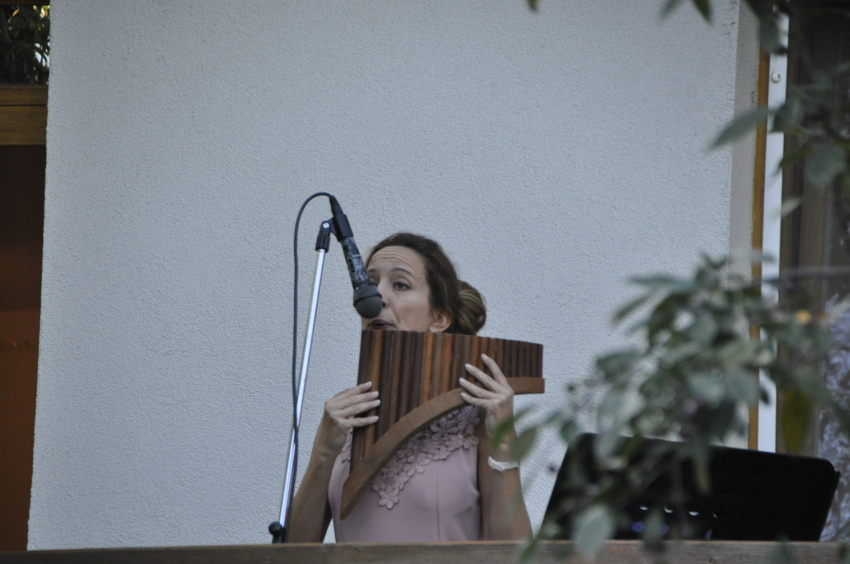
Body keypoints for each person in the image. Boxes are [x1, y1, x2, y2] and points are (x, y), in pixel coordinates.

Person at [289, 232, 532, 542]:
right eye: (369, 284)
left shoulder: (475, 419)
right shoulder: (343, 419)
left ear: (440, 318)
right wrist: (323, 454)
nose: (376, 298)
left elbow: (514, 555)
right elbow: (289, 555)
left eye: (400, 285)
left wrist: (505, 440)